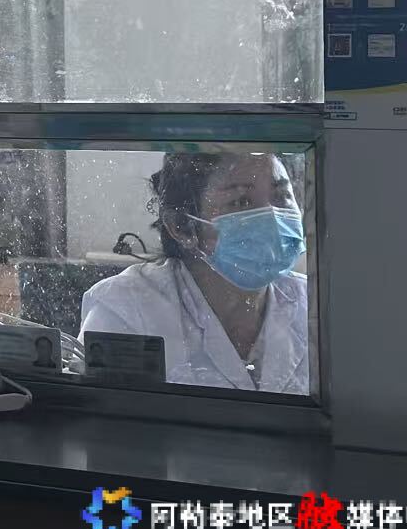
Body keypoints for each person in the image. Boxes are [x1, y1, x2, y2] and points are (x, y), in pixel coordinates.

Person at [79, 152, 308, 393]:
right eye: (241, 202)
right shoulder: (126, 310)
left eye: (281, 196)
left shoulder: (315, 306)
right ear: (181, 227)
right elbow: (101, 410)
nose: (272, 218)